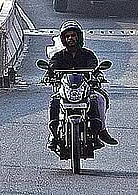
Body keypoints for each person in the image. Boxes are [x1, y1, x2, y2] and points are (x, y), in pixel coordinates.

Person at [46, 20, 117, 149]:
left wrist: (97, 75)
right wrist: (49, 75)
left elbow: (94, 66)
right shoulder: (58, 56)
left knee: (98, 99)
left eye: (73, 35)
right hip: (66, 89)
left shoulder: (87, 54)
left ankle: (99, 132)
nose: (70, 38)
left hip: (85, 88)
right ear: (63, 39)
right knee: (54, 100)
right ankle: (54, 135)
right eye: (67, 36)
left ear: (78, 37)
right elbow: (52, 66)